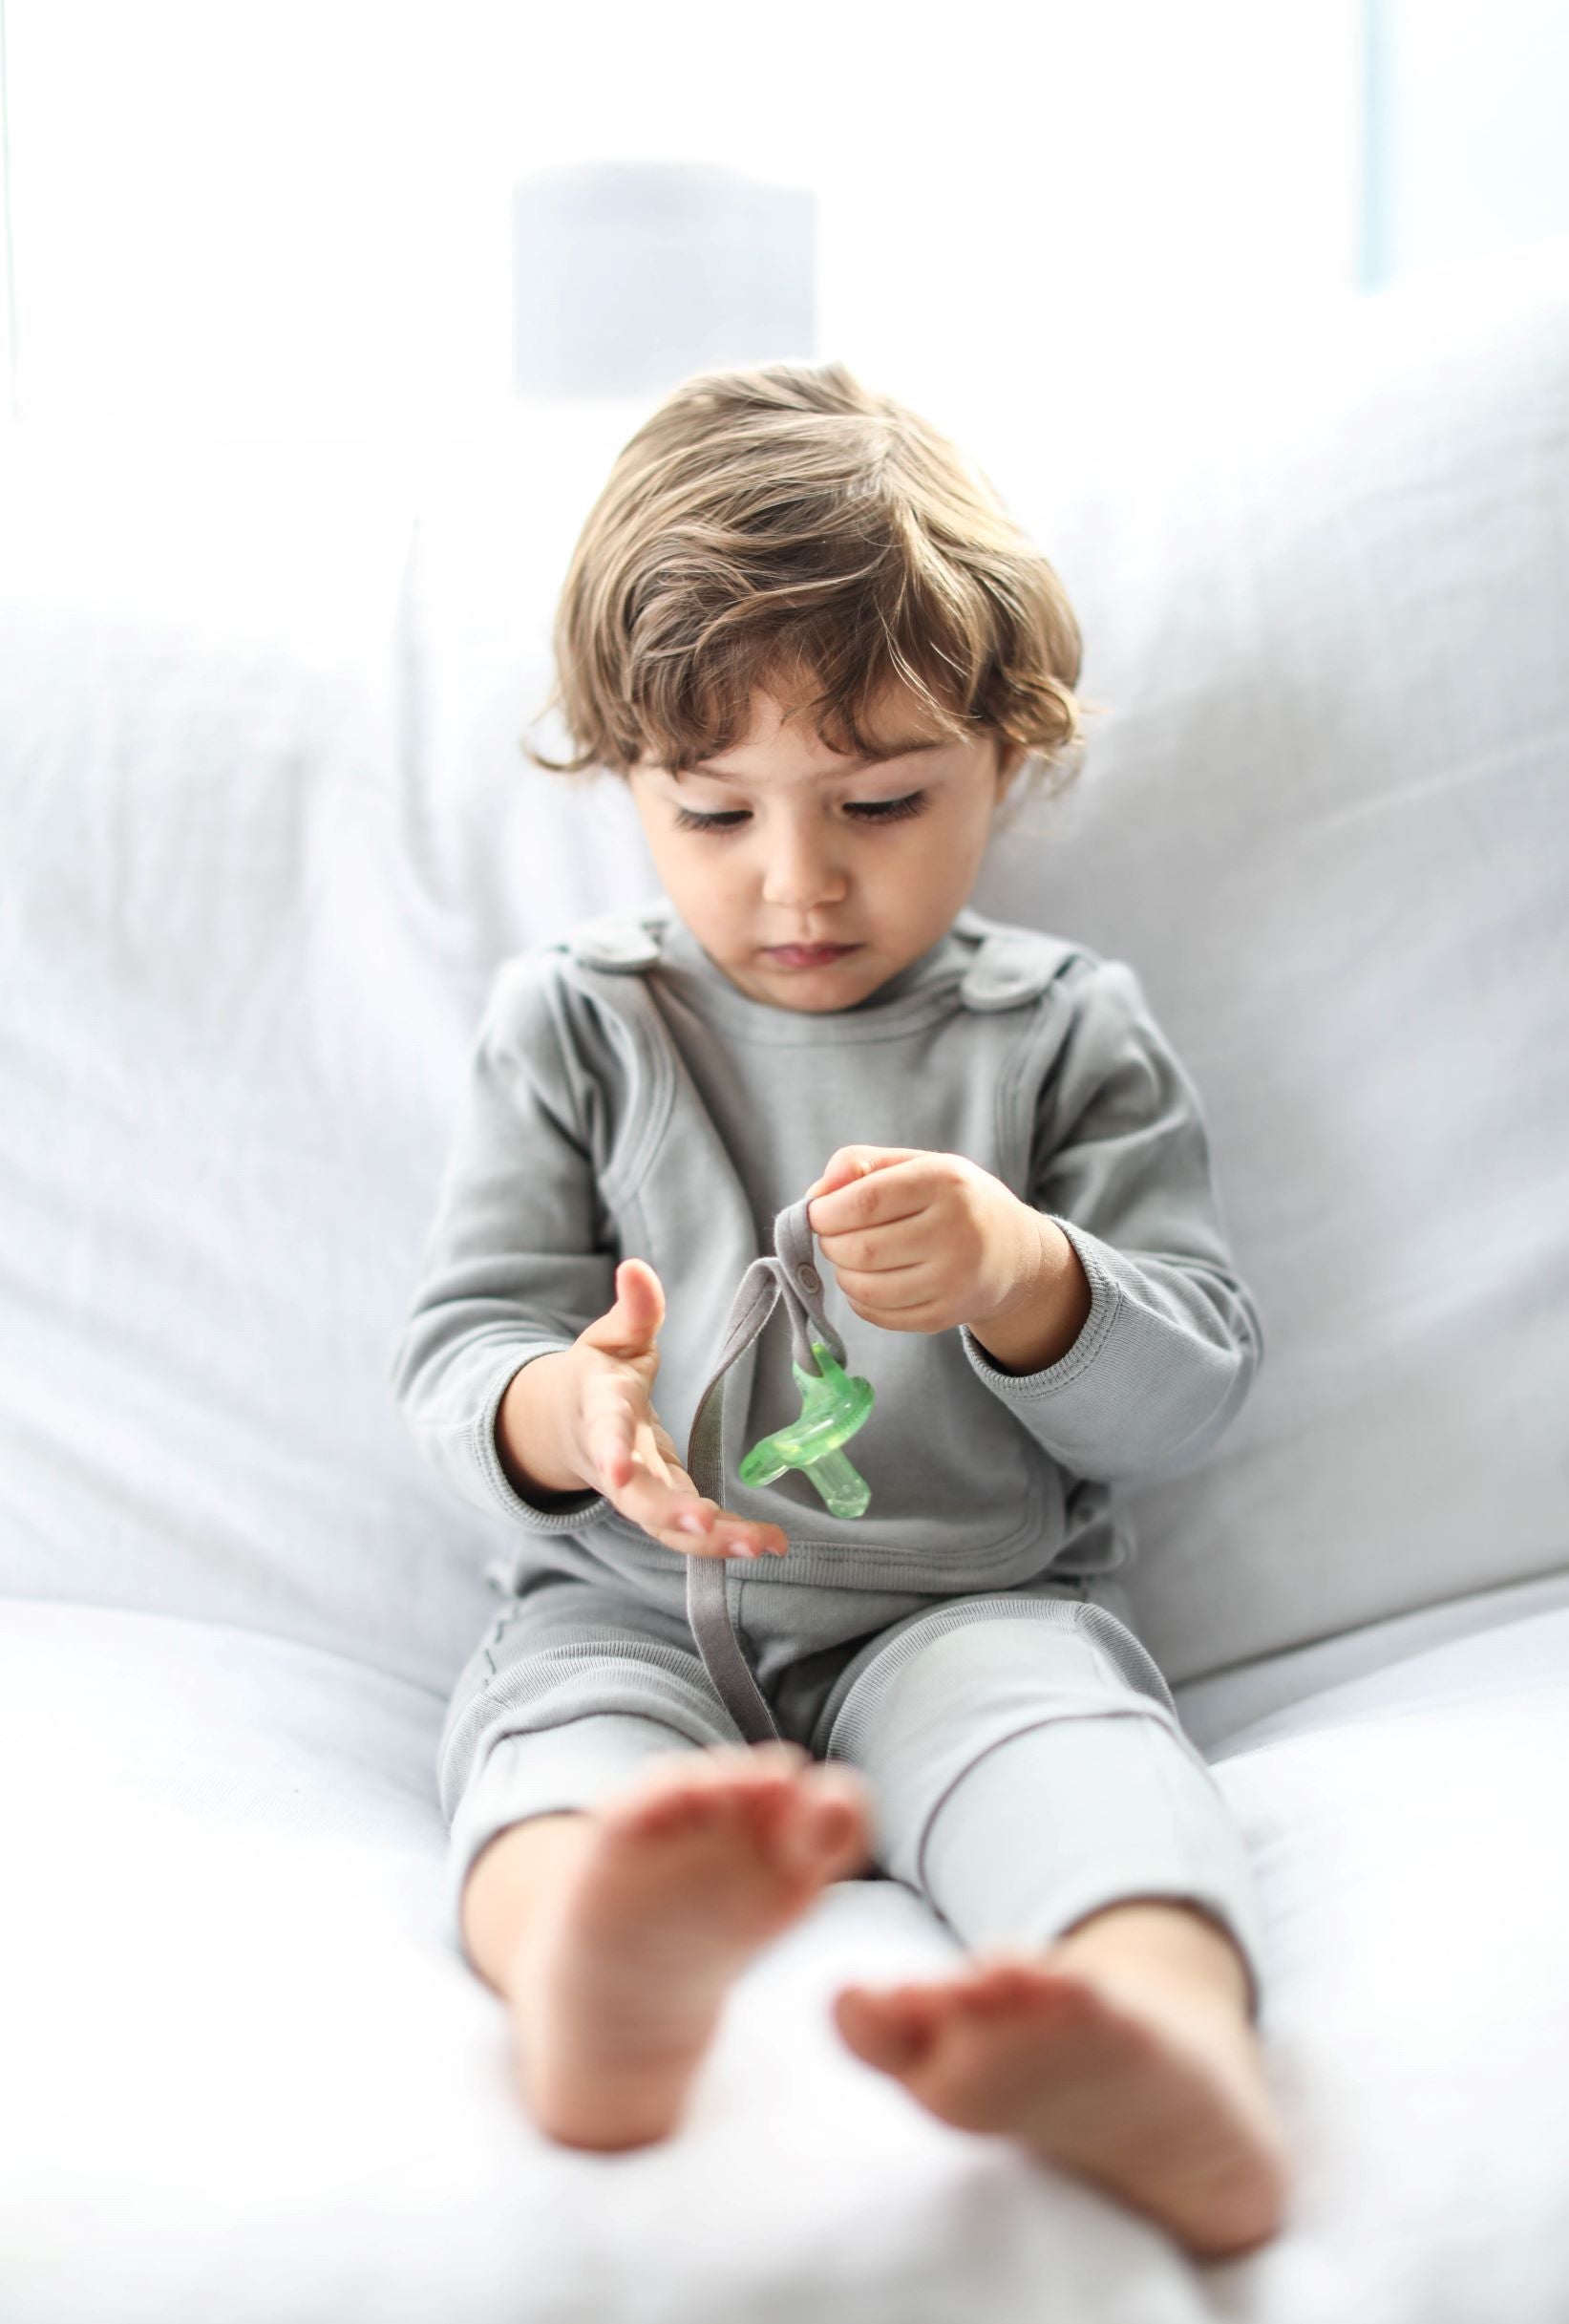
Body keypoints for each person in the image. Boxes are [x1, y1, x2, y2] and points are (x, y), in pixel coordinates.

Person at [388, 359, 1293, 2261]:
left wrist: (1024, 1275)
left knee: (1075, 1763)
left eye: (880, 797)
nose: (797, 881)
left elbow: (1193, 1379)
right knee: (554, 1781)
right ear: (627, 777)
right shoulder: (579, 1020)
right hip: (625, 1611)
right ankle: (597, 1978)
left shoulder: (1057, 1035)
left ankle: (1164, 2046)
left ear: (1010, 755)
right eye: (714, 810)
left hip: (964, 1606)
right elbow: (456, 1347)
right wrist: (568, 1405)